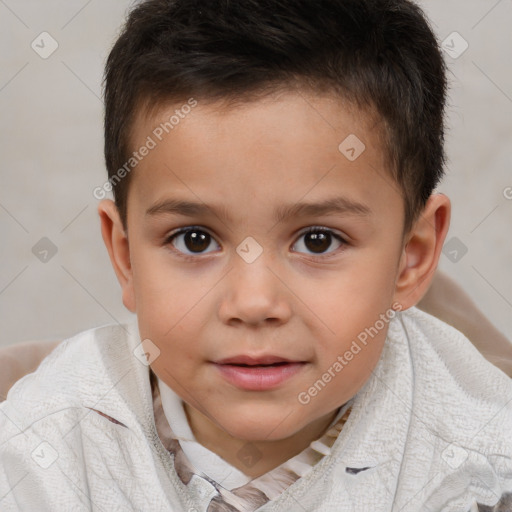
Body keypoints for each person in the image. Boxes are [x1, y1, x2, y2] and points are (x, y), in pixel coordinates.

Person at [0, 0, 511, 510]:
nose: (253, 302)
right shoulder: (46, 446)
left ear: (412, 257)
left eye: (318, 240)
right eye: (195, 239)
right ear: (127, 256)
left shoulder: (481, 466)